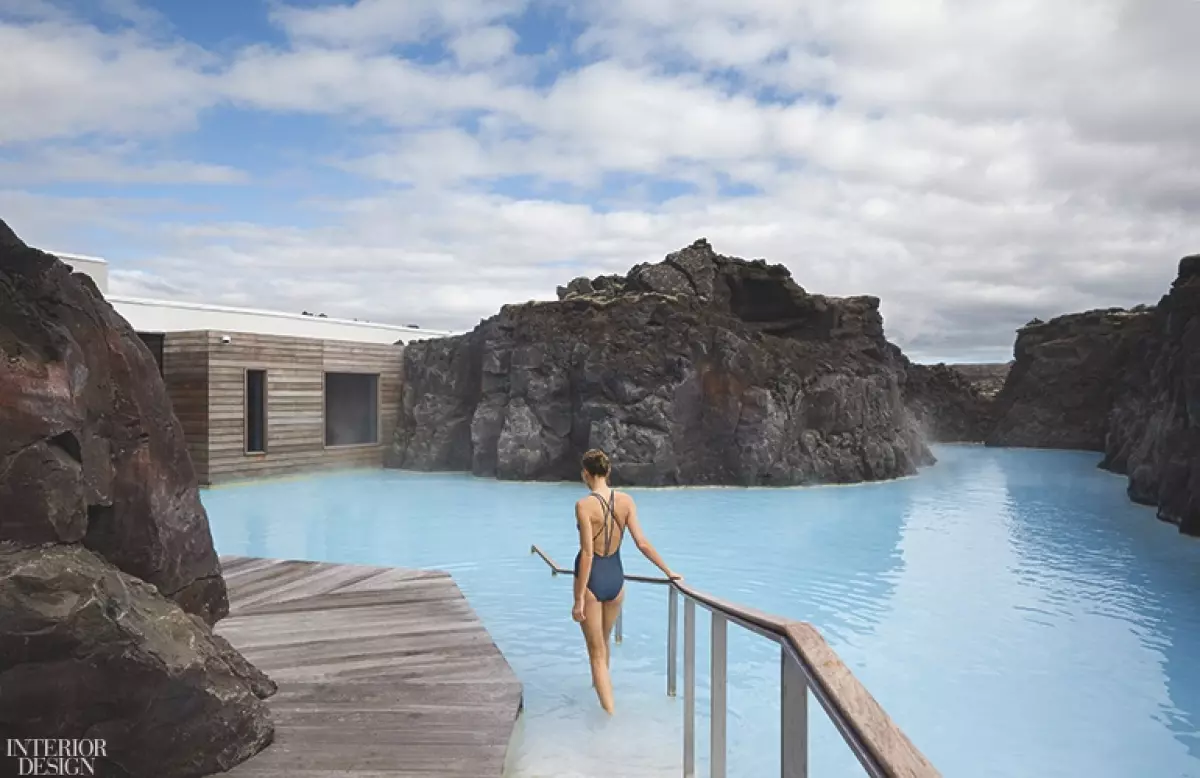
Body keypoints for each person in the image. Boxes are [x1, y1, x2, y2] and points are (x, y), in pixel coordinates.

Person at [572, 448, 680, 714]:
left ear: (586, 474)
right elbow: (642, 543)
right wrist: (669, 571)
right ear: (608, 471)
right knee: (604, 642)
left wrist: (577, 600)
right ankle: (601, 691)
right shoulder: (626, 501)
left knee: (595, 653)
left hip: (592, 580)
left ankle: (609, 719)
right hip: (616, 578)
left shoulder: (584, 505)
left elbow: (587, 553)